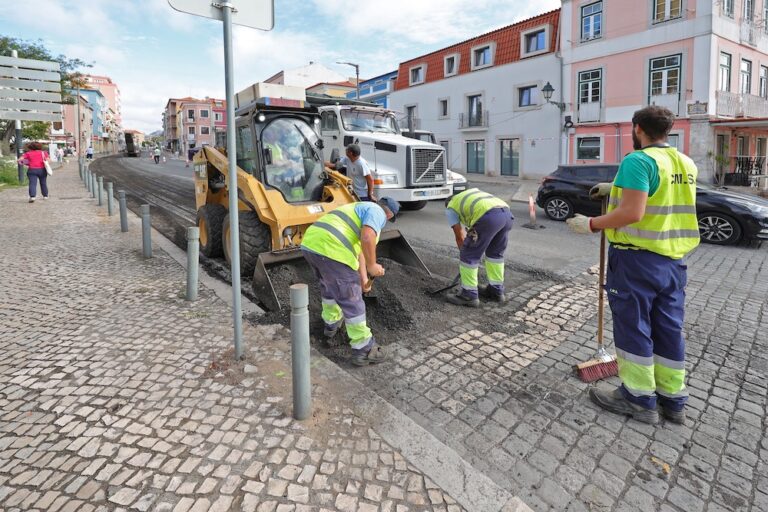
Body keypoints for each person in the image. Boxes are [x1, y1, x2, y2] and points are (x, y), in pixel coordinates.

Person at [566, 105, 699, 425]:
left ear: (637, 128)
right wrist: (615, 189)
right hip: (672, 262)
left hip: (636, 261)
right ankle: (672, 399)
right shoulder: (684, 162)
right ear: (668, 130)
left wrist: (591, 224)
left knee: (634, 326)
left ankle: (638, 398)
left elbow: (632, 213)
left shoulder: (638, 160)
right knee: (668, 328)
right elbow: (660, 197)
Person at [300, 197, 400, 366]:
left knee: (329, 290)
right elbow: (367, 237)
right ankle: (364, 349)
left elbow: (361, 252)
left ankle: (331, 326)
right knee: (351, 299)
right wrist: (373, 265)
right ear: (389, 215)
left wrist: (364, 279)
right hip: (333, 249)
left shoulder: (357, 209)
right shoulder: (376, 211)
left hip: (312, 245)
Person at [442, 188, 514, 307]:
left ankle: (468, 295)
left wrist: (466, 255)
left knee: (468, 255)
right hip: (506, 215)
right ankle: (496, 291)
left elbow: (459, 235)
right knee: (495, 255)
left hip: (488, 217)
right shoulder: (468, 195)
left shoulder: (451, 207)